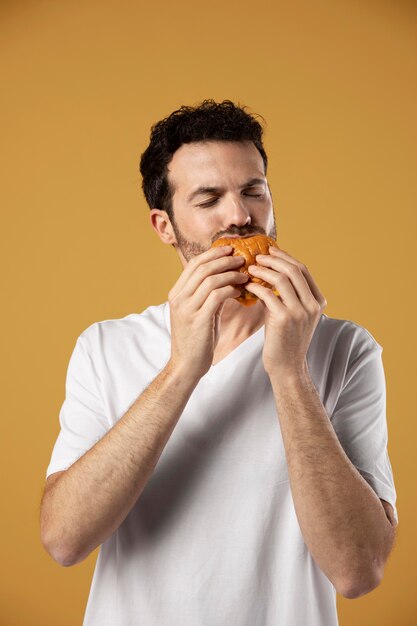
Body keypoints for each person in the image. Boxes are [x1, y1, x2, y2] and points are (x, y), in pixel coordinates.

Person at [40, 99, 398, 626]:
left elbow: (358, 571)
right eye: (209, 199)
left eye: (254, 191)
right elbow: (64, 540)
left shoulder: (346, 350)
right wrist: (183, 367)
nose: (240, 216)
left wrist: (290, 372)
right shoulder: (105, 347)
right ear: (165, 226)